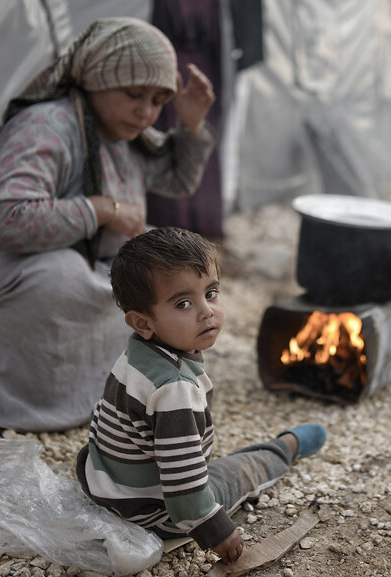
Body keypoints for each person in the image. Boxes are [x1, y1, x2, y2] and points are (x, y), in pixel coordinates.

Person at [0, 18, 218, 432]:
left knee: (151, 283)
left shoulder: (124, 135)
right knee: (61, 279)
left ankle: (98, 396)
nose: (145, 111)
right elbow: (6, 220)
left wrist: (191, 124)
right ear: (94, 79)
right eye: (134, 93)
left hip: (53, 268)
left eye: (158, 99)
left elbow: (177, 179)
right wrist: (103, 209)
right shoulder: (45, 126)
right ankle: (11, 405)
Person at [74, 227, 326, 564]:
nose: (206, 311)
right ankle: (284, 448)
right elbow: (183, 482)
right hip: (154, 511)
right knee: (236, 471)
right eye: (183, 303)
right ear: (143, 322)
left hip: (103, 483)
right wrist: (214, 530)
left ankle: (279, 447)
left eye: (211, 292)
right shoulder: (174, 388)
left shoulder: (140, 352)